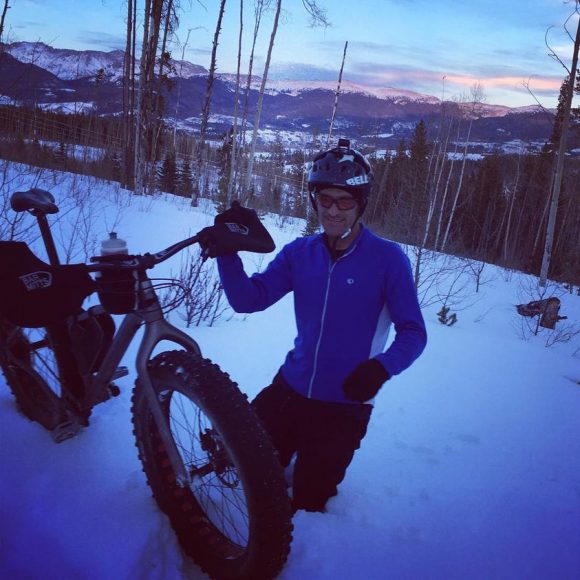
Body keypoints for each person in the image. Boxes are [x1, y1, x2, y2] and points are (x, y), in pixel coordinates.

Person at [202, 139, 427, 513]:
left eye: (345, 201)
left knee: (308, 500)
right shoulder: (299, 253)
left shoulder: (387, 259)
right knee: (249, 470)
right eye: (325, 199)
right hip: (288, 390)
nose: (333, 210)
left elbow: (414, 331)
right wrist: (227, 253)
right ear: (314, 200)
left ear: (361, 203)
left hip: (343, 405)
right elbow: (249, 300)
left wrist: (381, 368)